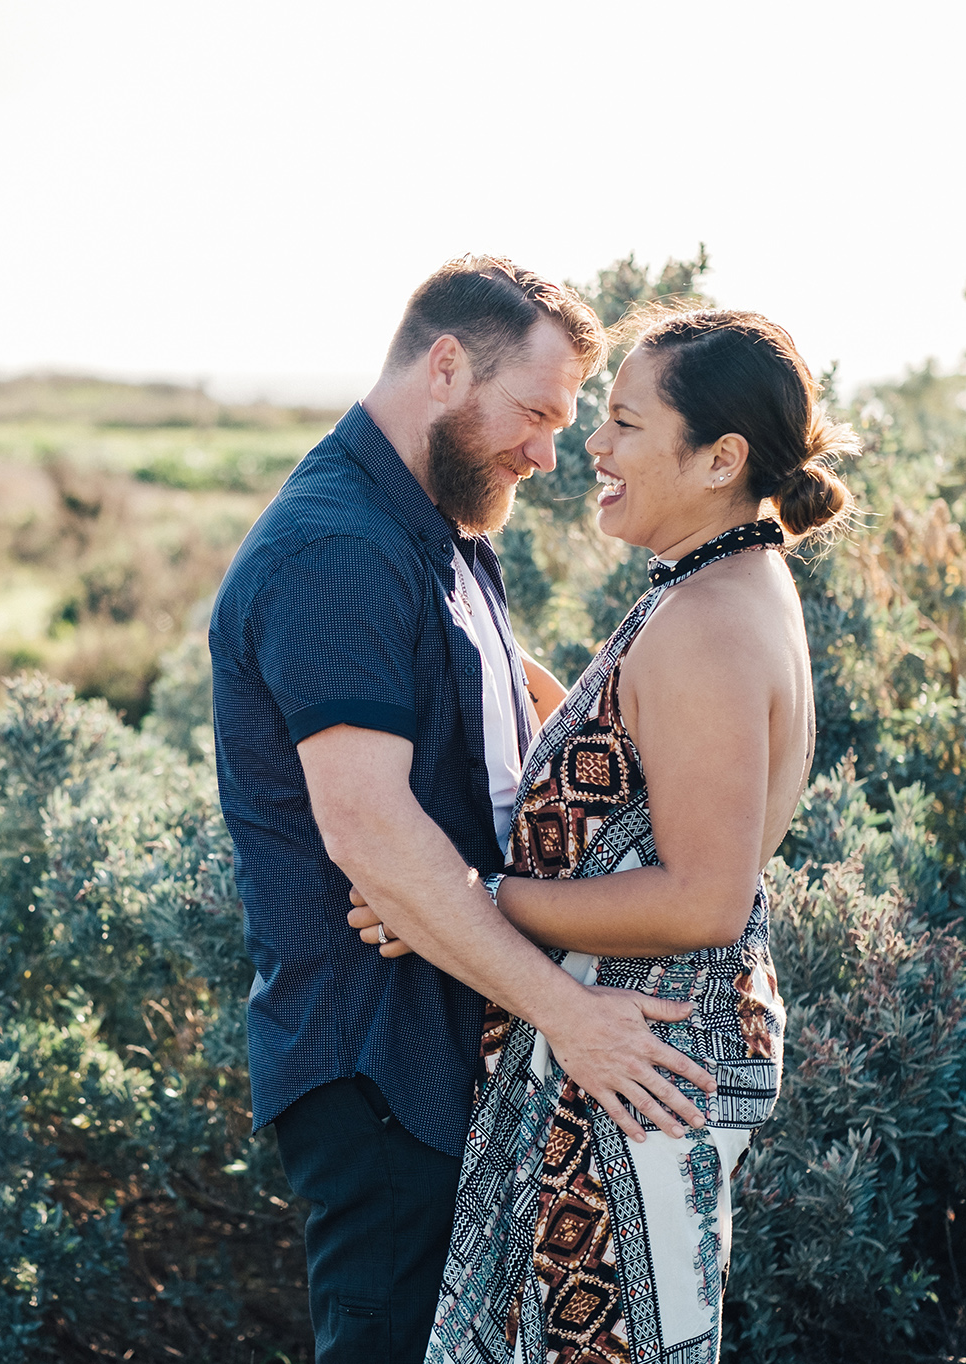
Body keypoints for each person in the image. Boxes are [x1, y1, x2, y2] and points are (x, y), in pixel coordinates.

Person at [208, 257, 720, 1364]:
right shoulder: (333, 548)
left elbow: (514, 708)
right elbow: (369, 836)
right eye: (534, 412)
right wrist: (573, 1018)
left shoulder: (439, 528)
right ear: (445, 366)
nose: (548, 451)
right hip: (380, 1069)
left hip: (458, 1049)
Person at [350, 308, 859, 1362]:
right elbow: (611, 757)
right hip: (631, 1056)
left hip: (634, 1067)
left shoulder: (709, 622)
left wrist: (464, 901)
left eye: (624, 423)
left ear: (719, 458)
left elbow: (699, 896)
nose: (593, 446)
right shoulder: (710, 586)